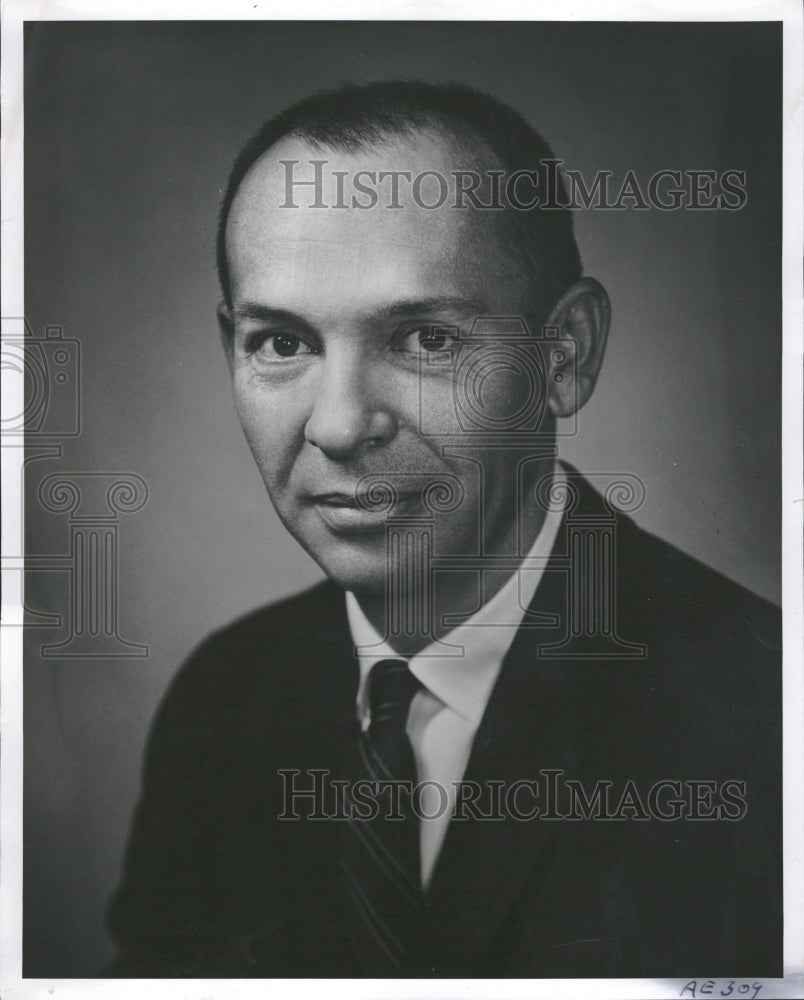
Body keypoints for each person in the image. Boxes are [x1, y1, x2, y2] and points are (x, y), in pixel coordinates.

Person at [106, 81, 781, 978]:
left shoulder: (767, 716)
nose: (339, 426)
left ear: (564, 355)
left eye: (425, 339)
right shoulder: (224, 702)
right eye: (282, 343)